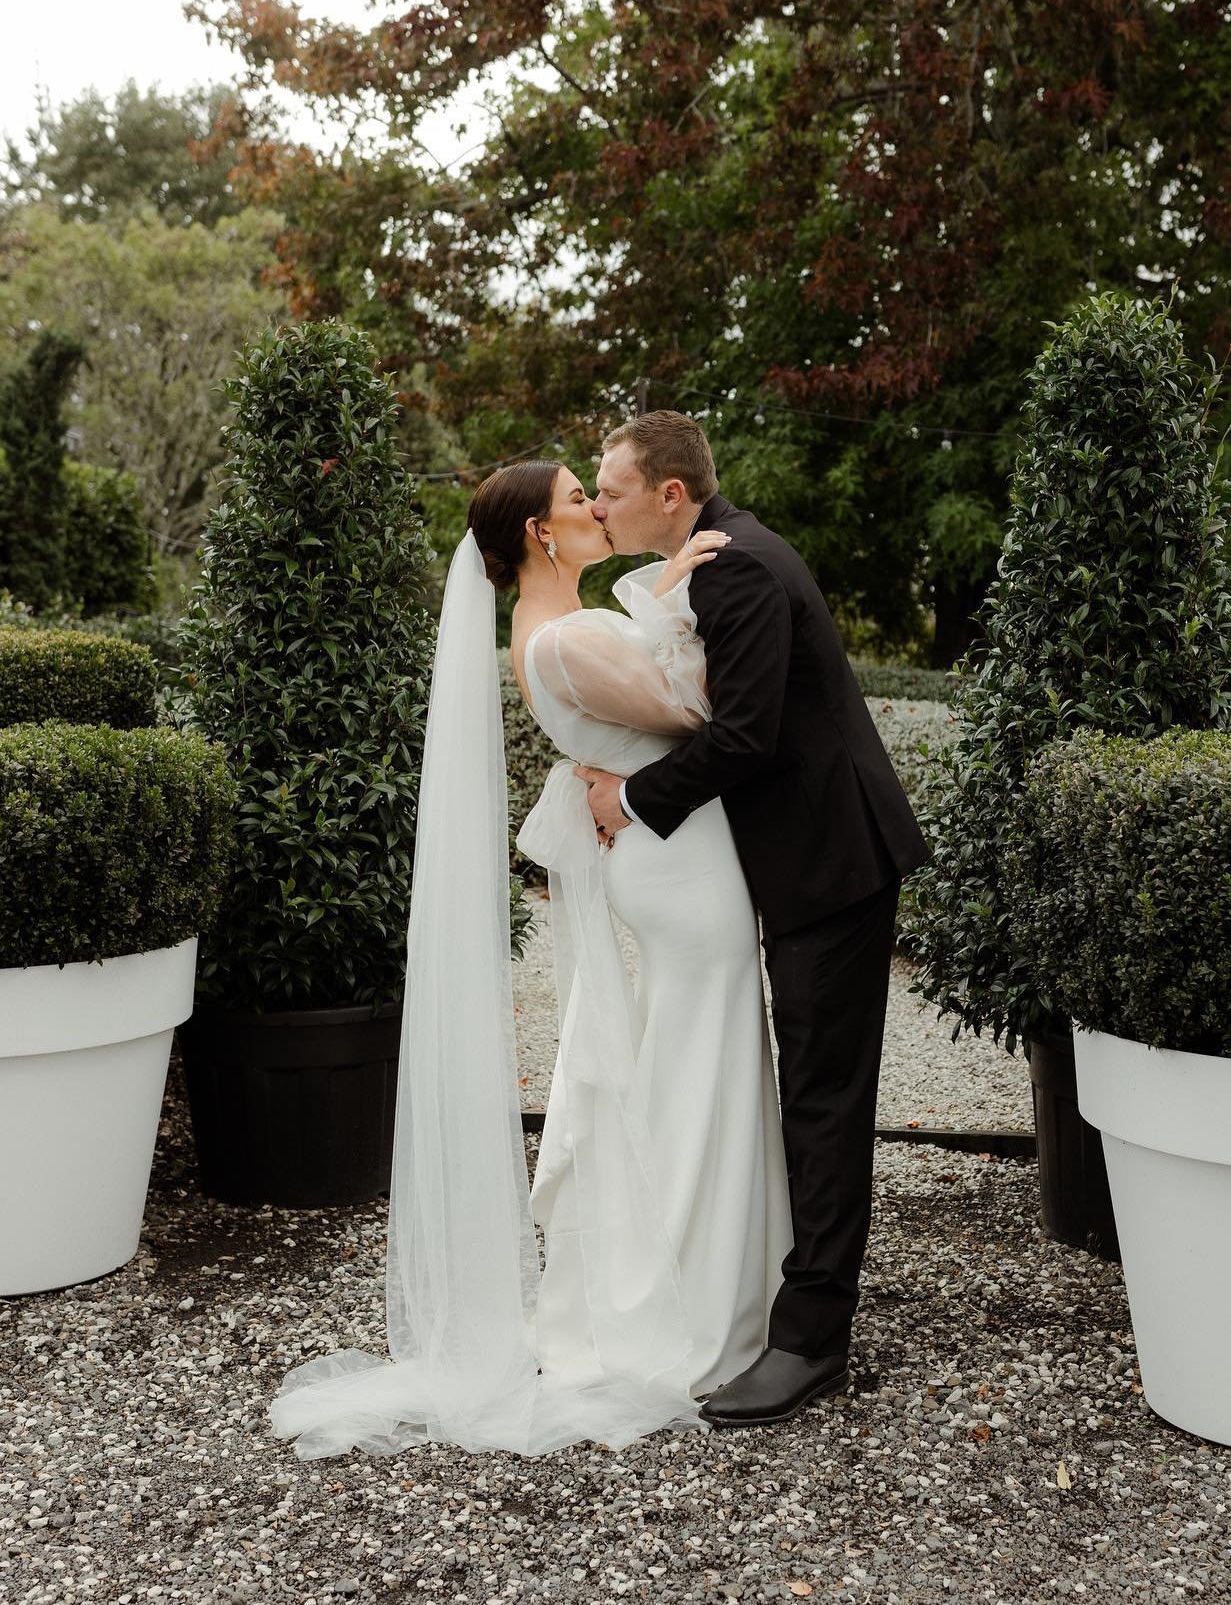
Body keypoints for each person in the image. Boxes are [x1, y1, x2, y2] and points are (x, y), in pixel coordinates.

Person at [267, 458, 792, 1459]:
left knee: (701, 1065)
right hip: (681, 872)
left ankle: (724, 1281)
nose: (596, 509)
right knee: (699, 1071)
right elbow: (700, 709)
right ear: (543, 537)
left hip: (673, 858)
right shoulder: (569, 636)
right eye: (576, 501)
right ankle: (691, 1302)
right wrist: (666, 587)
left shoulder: (561, 629)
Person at [578, 411, 930, 1428]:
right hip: (812, 861)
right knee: (815, 1090)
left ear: (671, 494)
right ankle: (805, 1298)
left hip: (833, 866)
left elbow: (745, 736)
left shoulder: (739, 570)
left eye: (613, 488)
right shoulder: (714, 560)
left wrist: (631, 802)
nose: (601, 505)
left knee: (822, 1095)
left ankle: (813, 1341)